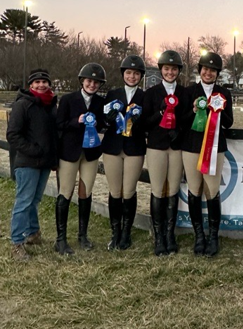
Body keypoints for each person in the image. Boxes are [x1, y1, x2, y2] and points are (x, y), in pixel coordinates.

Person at [181, 52, 233, 257]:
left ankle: (213, 236)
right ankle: (198, 236)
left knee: (212, 191)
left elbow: (229, 122)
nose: (208, 72)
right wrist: (194, 110)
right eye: (205, 69)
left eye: (212, 70)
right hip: (191, 147)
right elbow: (182, 120)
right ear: (200, 70)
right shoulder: (189, 92)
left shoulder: (223, 93)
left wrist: (217, 110)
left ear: (217, 73)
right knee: (194, 190)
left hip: (215, 148)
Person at [7, 69, 58, 261]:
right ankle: (17, 242)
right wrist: (33, 150)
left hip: (44, 163)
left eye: (44, 81)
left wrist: (52, 158)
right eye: (37, 82)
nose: (41, 85)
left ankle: (33, 232)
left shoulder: (50, 105)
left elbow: (52, 135)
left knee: (34, 200)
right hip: (28, 162)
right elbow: (12, 134)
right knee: (24, 201)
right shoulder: (23, 105)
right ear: (31, 85)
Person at [55, 63, 106, 255]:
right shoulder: (68, 99)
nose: (92, 85)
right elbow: (59, 124)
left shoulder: (100, 103)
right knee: (66, 192)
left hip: (90, 154)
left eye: (96, 82)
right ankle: (61, 239)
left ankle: (82, 236)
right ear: (82, 81)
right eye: (89, 81)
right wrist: (77, 122)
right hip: (70, 152)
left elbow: (101, 124)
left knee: (86, 192)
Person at [142, 50, 184, 256]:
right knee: (158, 190)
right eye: (166, 69)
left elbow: (187, 119)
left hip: (176, 147)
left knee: (173, 190)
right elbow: (144, 123)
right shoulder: (151, 94)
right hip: (156, 146)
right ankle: (158, 236)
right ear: (161, 70)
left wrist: (179, 130)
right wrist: (159, 113)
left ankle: (170, 234)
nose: (170, 72)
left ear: (178, 71)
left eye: (173, 69)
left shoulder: (184, 93)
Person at [102, 55, 146, 250]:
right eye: (128, 72)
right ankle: (115, 231)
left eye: (136, 73)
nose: (132, 76)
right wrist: (108, 118)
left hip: (134, 148)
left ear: (141, 76)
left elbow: (148, 124)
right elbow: (103, 120)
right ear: (123, 74)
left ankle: (126, 232)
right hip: (112, 148)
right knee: (115, 191)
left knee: (128, 191)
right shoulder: (112, 94)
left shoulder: (144, 97)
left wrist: (139, 121)